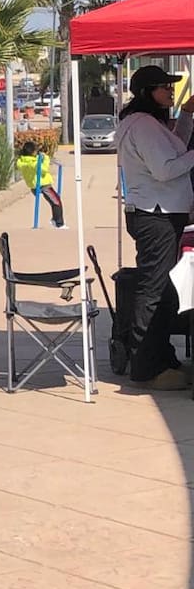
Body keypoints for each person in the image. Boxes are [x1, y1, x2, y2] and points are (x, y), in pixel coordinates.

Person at [116, 63, 194, 391]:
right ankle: (146, 365)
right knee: (154, 290)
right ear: (148, 91)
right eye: (164, 87)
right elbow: (165, 169)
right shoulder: (143, 125)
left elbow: (175, 148)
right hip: (155, 216)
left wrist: (187, 115)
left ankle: (161, 355)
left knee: (163, 290)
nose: (170, 90)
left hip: (163, 214)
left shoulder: (148, 124)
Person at [16, 140, 66, 228]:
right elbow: (43, 170)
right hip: (43, 185)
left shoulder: (22, 161)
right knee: (56, 202)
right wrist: (46, 159)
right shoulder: (34, 163)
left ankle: (55, 220)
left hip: (33, 185)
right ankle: (59, 223)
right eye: (36, 151)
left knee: (54, 201)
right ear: (32, 152)